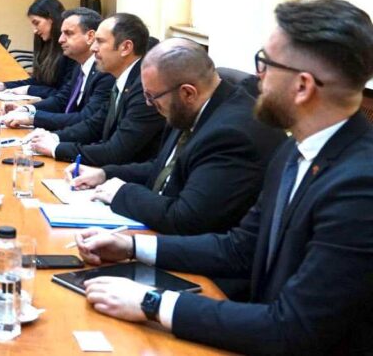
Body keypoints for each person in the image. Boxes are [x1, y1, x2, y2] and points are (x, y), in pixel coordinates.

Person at [75, 0, 373, 354]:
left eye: (265, 63)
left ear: (303, 86)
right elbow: (240, 247)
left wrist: (153, 303)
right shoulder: (295, 151)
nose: (257, 76)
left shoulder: (359, 185)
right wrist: (131, 246)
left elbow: (293, 327)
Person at [65, 38, 285, 235]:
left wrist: (122, 193)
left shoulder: (231, 134)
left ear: (188, 93)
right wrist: (105, 174)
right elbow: (164, 169)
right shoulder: (189, 107)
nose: (149, 104)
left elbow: (186, 219)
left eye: (152, 97)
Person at [25, 13, 166, 166]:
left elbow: (116, 151)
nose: (93, 48)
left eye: (100, 41)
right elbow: (95, 125)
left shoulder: (144, 88)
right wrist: (54, 137)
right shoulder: (122, 79)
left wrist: (56, 148)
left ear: (125, 47)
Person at [1, 8, 115, 131]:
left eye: (68, 33)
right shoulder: (80, 66)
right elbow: (62, 100)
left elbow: (85, 118)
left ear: (90, 36)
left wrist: (32, 118)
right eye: (61, 33)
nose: (60, 39)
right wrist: (26, 109)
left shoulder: (105, 72)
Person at [0, 0, 77, 98]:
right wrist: (4, 86)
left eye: (37, 23)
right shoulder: (46, 43)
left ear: (51, 19)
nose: (35, 30)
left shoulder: (71, 51)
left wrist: (28, 90)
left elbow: (63, 95)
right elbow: (38, 81)